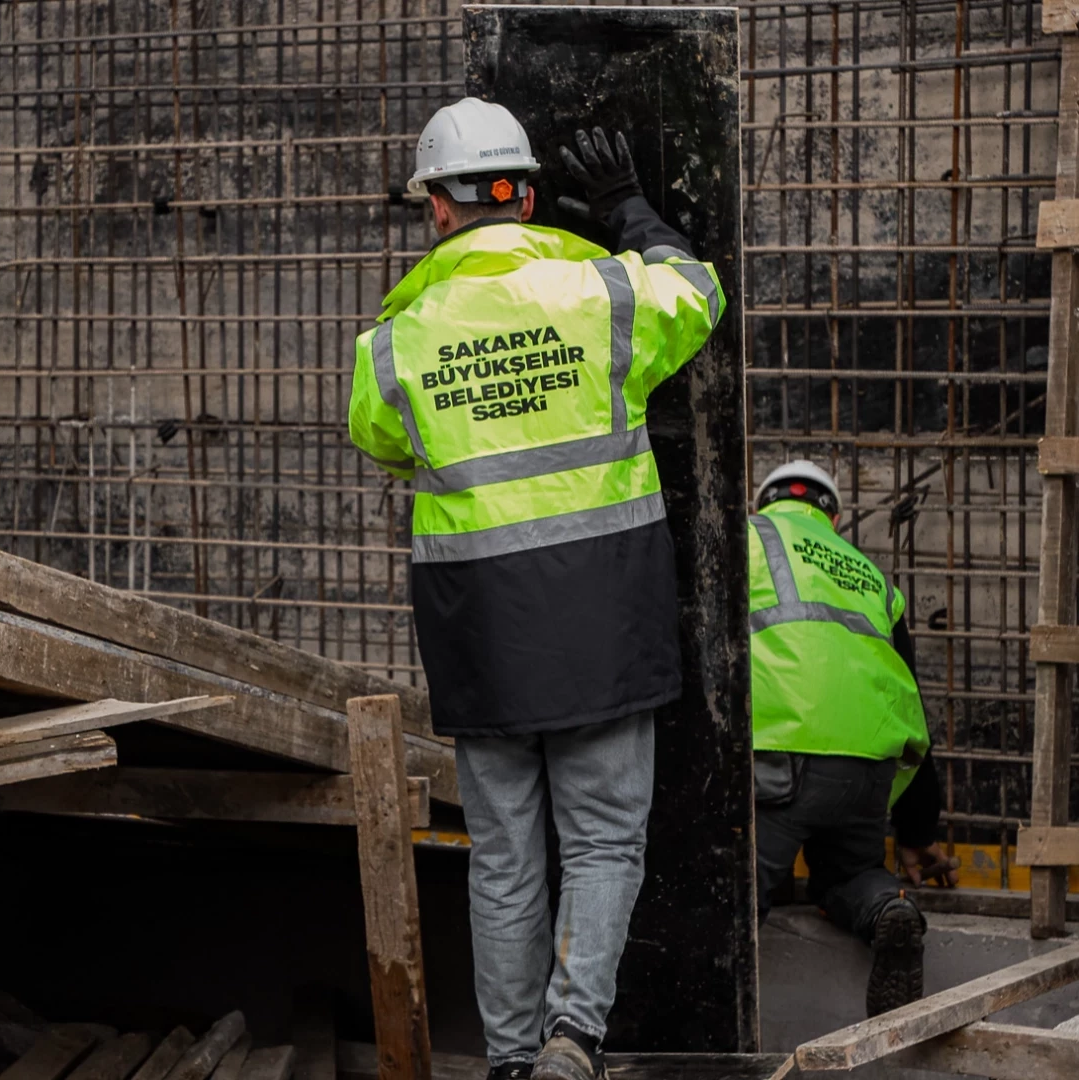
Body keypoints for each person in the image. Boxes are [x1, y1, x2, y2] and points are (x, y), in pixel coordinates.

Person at [347, 98, 724, 1080]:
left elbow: (381, 439)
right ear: (524, 194)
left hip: (482, 635)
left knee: (505, 860)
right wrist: (631, 211)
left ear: (437, 209)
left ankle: (511, 1063)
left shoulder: (395, 341)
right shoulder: (605, 294)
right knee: (602, 845)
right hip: (604, 621)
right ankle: (572, 1042)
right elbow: (697, 291)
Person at [749, 460, 958, 1018]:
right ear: (834, 517)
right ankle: (889, 908)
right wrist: (916, 831)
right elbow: (908, 697)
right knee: (850, 874)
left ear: (763, 502)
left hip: (780, 758)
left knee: (733, 897)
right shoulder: (872, 576)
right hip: (868, 771)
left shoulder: (744, 539)